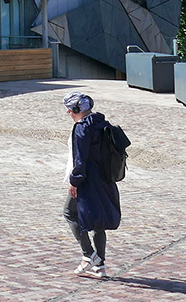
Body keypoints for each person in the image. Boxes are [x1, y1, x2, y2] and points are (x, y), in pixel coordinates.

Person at [63, 91, 121, 279]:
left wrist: (74, 182)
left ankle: (89, 255)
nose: (68, 113)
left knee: (69, 213)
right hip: (105, 179)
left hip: (87, 181)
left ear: (78, 109)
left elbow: (81, 160)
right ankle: (100, 267)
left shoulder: (81, 129)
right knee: (98, 222)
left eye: (70, 110)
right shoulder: (102, 124)